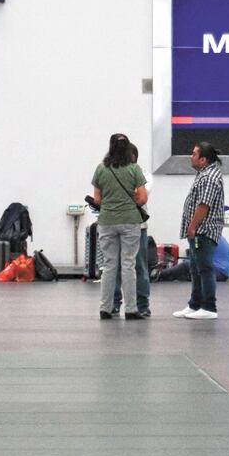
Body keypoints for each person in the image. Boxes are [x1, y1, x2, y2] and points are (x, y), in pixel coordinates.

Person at [92, 134, 148, 320]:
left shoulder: (101, 169)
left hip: (107, 221)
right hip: (130, 221)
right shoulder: (134, 169)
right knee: (128, 265)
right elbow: (142, 198)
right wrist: (127, 199)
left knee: (109, 265)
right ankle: (131, 309)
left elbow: (98, 199)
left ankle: (105, 308)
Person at [173, 142, 224, 320]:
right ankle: (195, 304)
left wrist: (193, 225)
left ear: (203, 159)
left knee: (205, 268)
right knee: (195, 268)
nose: (190, 156)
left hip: (204, 230)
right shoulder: (204, 174)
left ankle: (209, 307)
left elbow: (204, 205)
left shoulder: (209, 177)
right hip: (199, 230)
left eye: (194, 154)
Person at [112, 144, 151, 316]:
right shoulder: (111, 172)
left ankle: (142, 305)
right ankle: (114, 303)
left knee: (139, 267)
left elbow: (139, 197)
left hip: (138, 227)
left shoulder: (145, 175)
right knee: (114, 266)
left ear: (134, 157)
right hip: (116, 226)